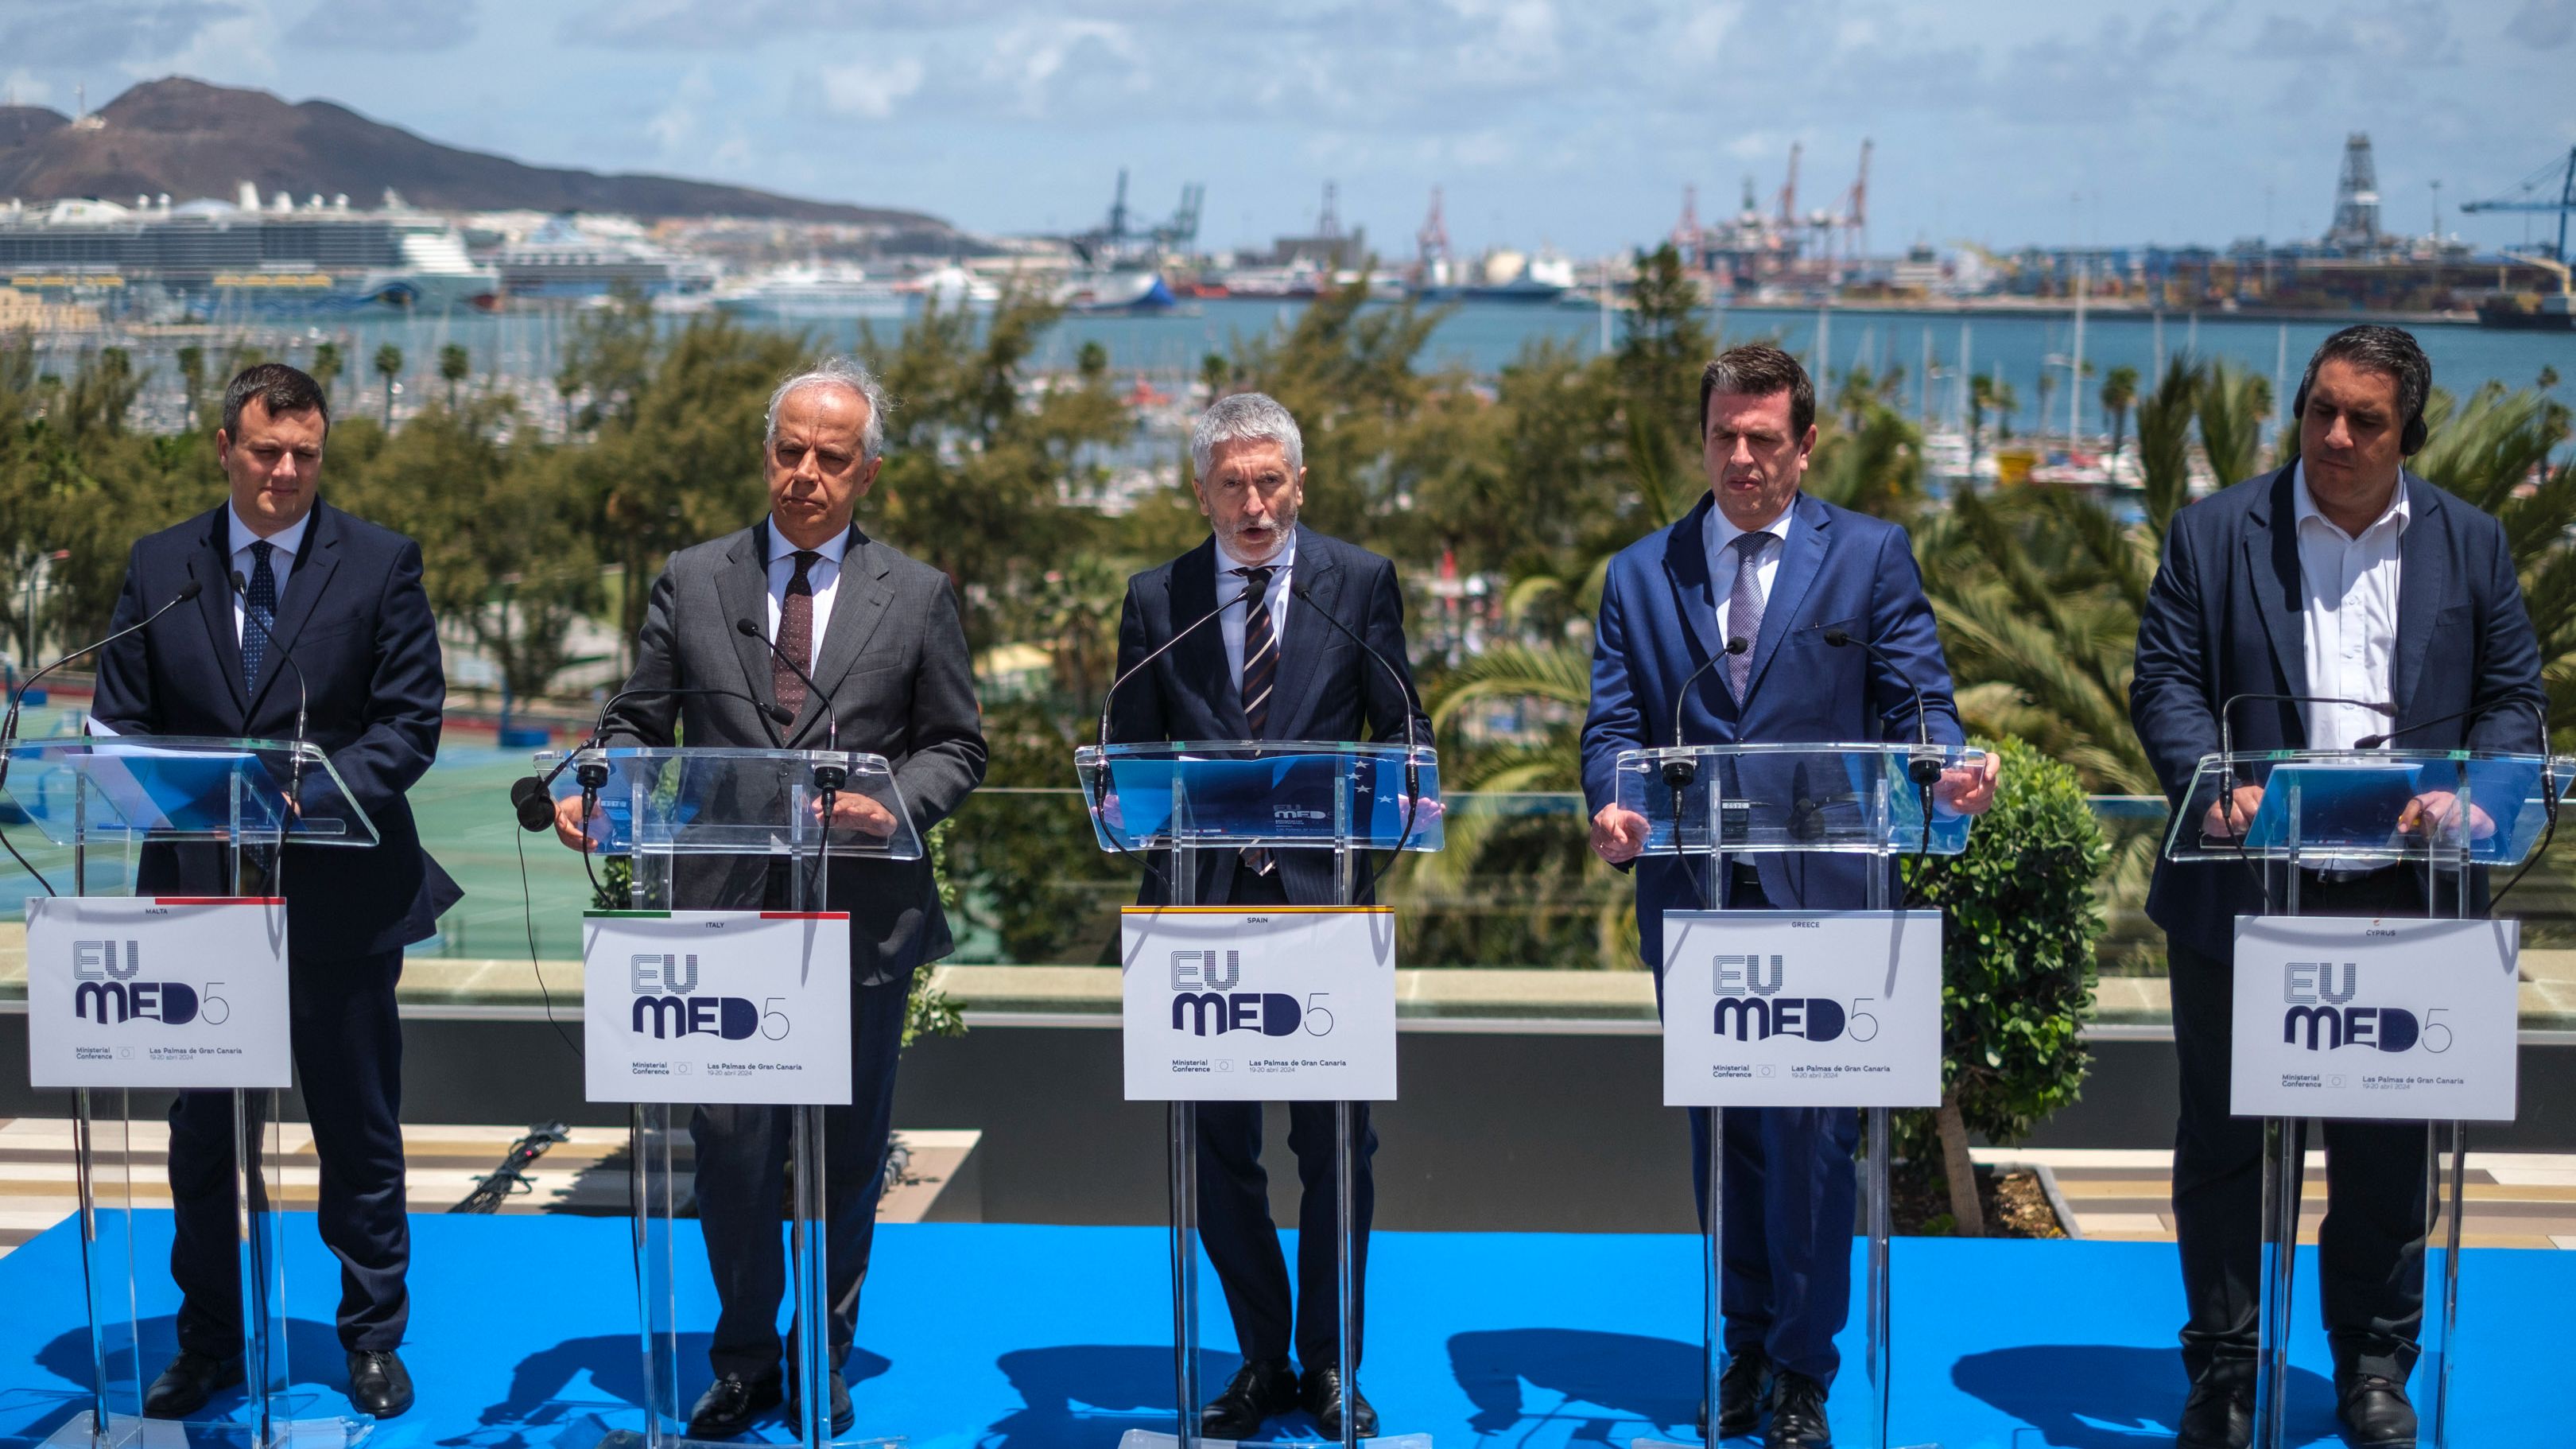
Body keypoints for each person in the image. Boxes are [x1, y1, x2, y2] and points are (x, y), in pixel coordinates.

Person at [553, 357, 985, 1438]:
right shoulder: (694, 577)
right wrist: (600, 786)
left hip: (862, 915)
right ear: (766, 456)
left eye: (831, 458)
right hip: (725, 913)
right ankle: (743, 1355)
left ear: (866, 474)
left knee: (845, 1150)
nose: (806, 474)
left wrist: (896, 804)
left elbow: (957, 745)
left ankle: (822, 1351)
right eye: (790, 451)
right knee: (734, 1149)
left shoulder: (917, 595)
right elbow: (639, 719)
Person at [2130, 324, 2544, 1449]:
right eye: (2322, 410)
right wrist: (2207, 784)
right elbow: (2165, 680)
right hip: (2243, 890)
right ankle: (2223, 1369)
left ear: (2411, 431)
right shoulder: (2214, 534)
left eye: (2366, 418)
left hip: (2405, 899)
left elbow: (2513, 698)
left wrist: (2481, 797)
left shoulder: (2473, 543)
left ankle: (2372, 1367)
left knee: (2387, 1150)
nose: (2338, 435)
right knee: (2226, 1144)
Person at [1580, 344, 1997, 1449]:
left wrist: (1945, 771)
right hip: (1695, 890)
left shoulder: (1868, 555)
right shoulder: (1641, 573)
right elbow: (1613, 727)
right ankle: (1748, 1345)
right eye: (1724, 435)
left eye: (1764, 438)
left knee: (1814, 1142)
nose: (1742, 457)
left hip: (1829, 894)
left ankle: (1804, 1372)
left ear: (1805, 445)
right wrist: (1614, 804)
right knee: (1726, 1134)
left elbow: (1920, 704)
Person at [94, 362, 461, 1421]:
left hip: (342, 897)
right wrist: (191, 796)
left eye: (306, 454)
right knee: (205, 1136)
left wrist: (320, 789)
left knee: (357, 1127)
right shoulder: (161, 565)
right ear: (225, 448)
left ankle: (372, 1338)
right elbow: (122, 722)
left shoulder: (381, 562)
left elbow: (410, 720)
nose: (286, 471)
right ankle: (209, 1340)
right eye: (267, 451)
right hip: (201, 901)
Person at [1106, 391, 1424, 1441]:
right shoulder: (1158, 599)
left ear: (1300, 484)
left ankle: (1330, 1364)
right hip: (1196, 914)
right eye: (1232, 485)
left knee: (1335, 1147)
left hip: (1322, 911)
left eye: (1270, 483)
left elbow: (1404, 742)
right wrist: (1130, 811)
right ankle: (1261, 1357)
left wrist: (1351, 857)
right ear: (1200, 492)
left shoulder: (1358, 584)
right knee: (1215, 1150)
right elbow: (1129, 754)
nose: (1254, 505)